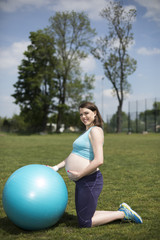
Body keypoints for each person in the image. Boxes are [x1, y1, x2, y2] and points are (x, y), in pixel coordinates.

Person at [47, 102, 143, 228]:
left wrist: (80, 174)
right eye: (81, 114)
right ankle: (122, 211)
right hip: (81, 180)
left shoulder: (96, 131)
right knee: (83, 215)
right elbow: (72, 155)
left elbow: (99, 160)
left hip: (90, 180)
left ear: (95, 113)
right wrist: (56, 167)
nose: (83, 117)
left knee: (85, 223)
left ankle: (122, 214)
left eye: (86, 113)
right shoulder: (86, 132)